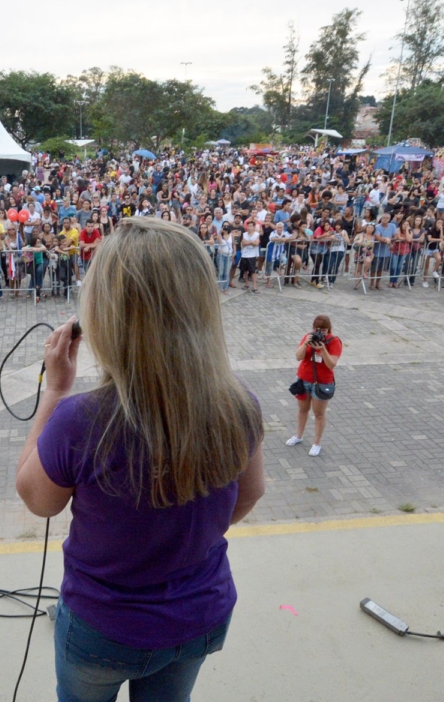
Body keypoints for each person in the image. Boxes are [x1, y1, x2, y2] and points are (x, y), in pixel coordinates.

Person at [14, 217, 264, 702]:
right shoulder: (239, 404)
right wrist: (183, 544)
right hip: (200, 616)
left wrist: (56, 390)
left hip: (103, 629)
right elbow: (250, 493)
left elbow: (36, 499)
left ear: (105, 317)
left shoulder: (80, 420)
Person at [285, 314, 342, 457]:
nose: (319, 333)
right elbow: (298, 357)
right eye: (317, 329)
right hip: (303, 379)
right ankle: (298, 436)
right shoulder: (308, 336)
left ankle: (316, 443)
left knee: (319, 414)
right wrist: (306, 344)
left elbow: (331, 365)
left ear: (328, 329)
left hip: (321, 382)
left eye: (323, 330)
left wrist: (323, 350)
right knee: (302, 410)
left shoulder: (334, 342)